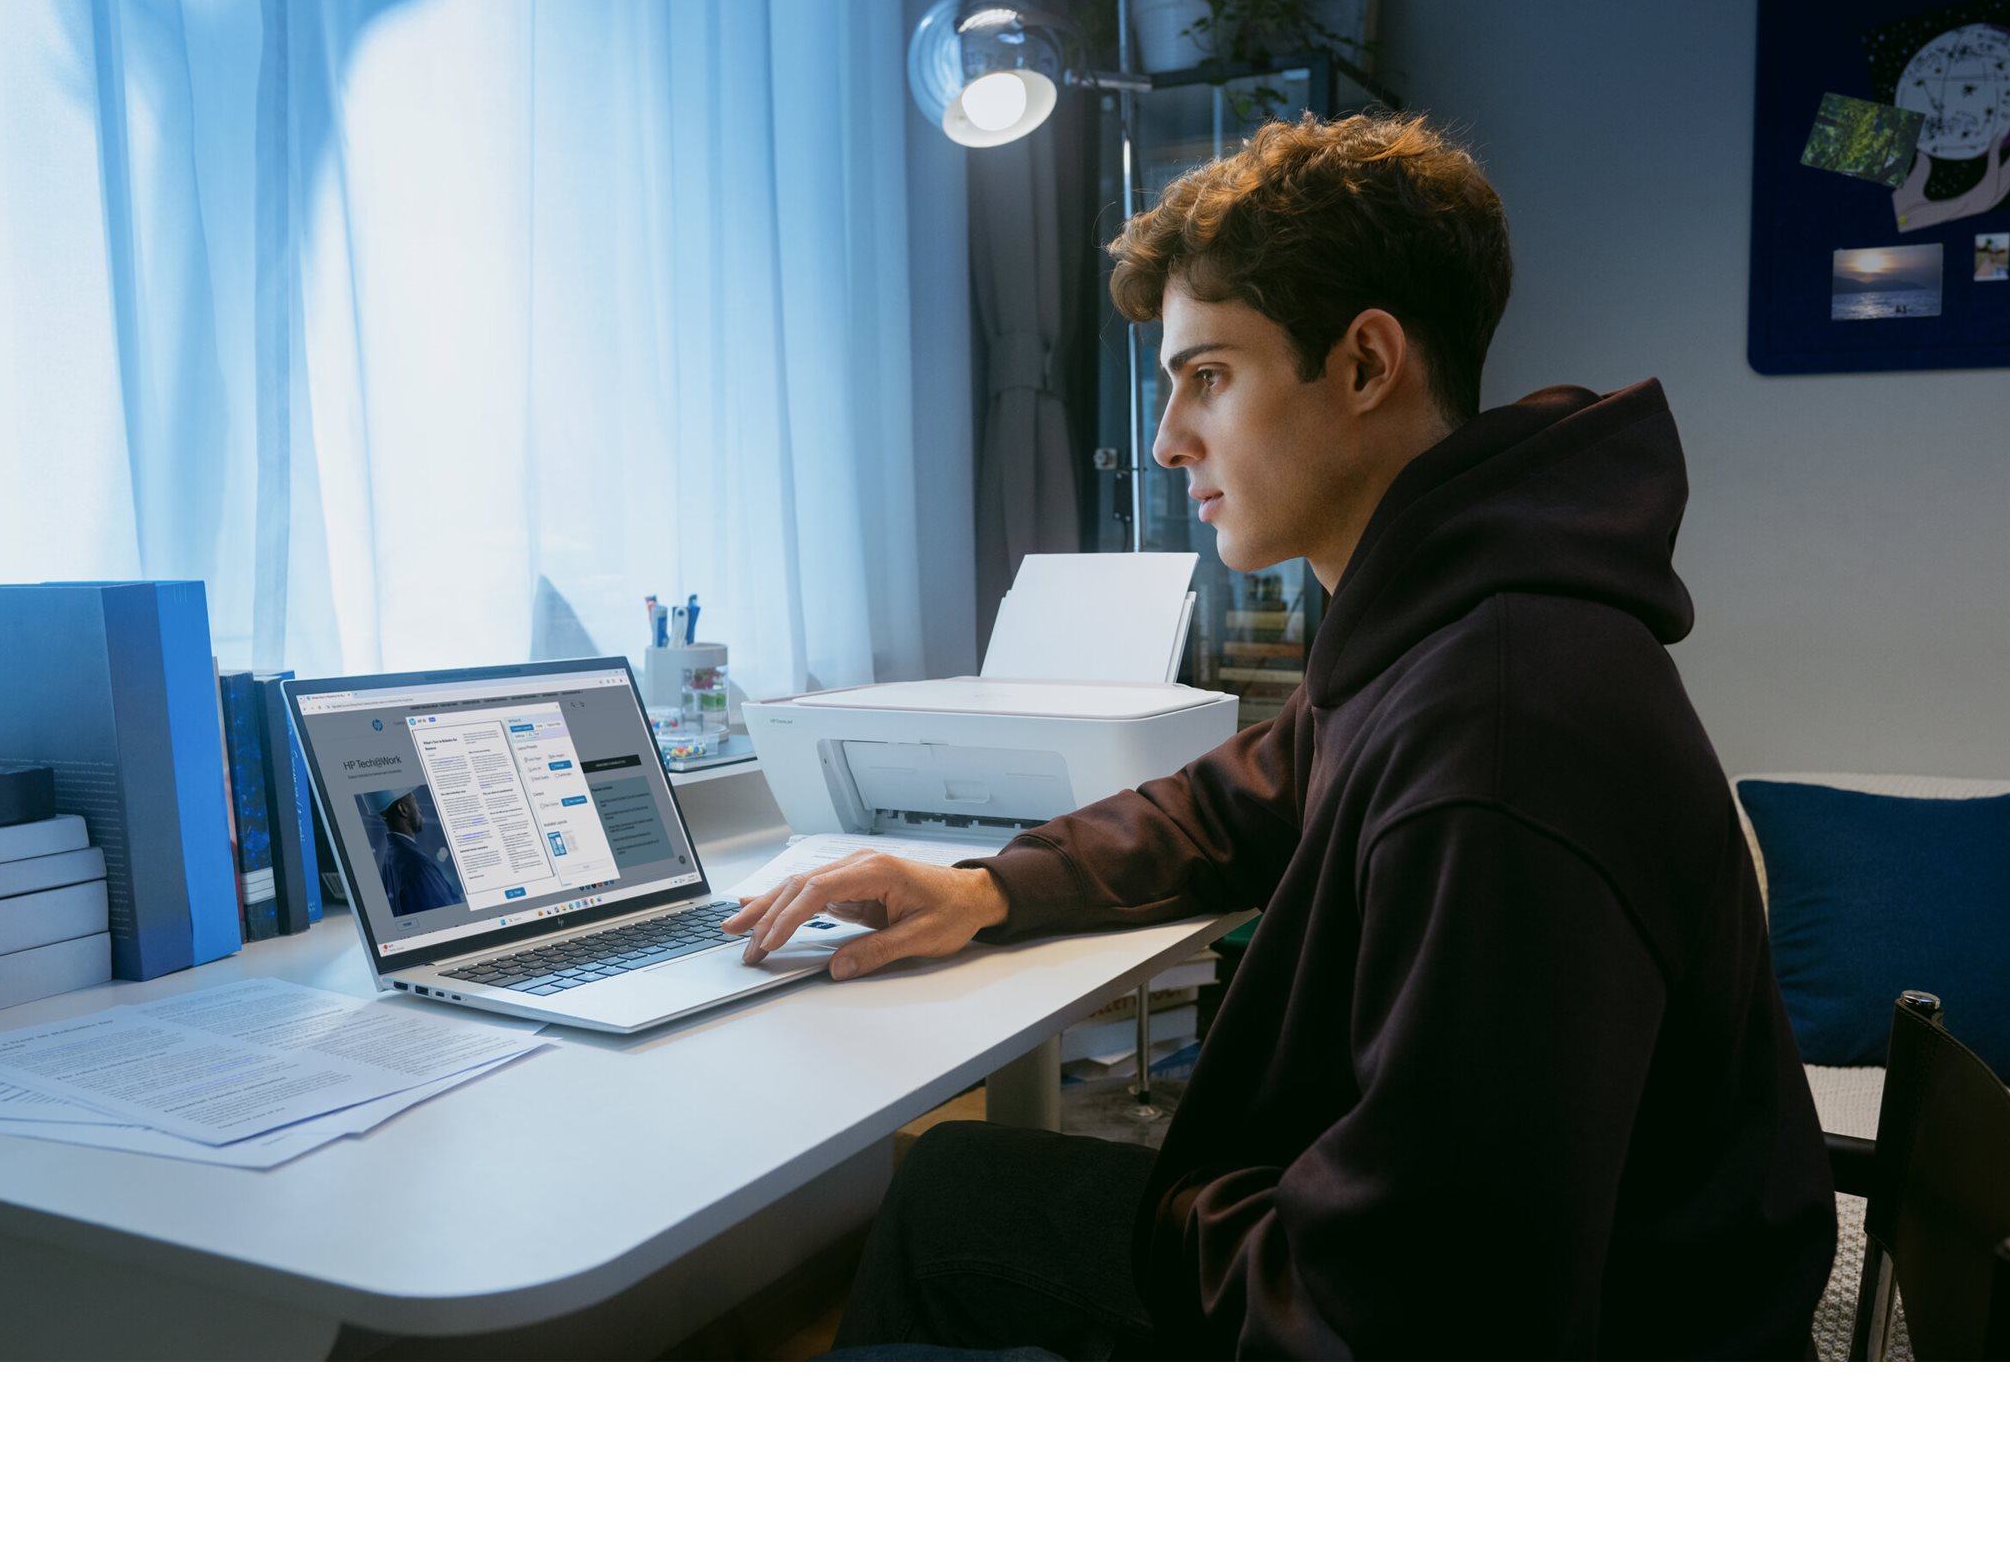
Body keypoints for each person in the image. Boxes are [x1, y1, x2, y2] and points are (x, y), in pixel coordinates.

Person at [725, 110, 1837, 1360]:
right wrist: (988, 889)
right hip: (1400, 1268)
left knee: (950, 1215)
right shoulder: (1442, 620)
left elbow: (1418, 1330)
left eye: (1208, 376)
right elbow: (1236, 796)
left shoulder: (1501, 735)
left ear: (1364, 365)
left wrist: (1192, 1202)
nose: (1166, 441)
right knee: (949, 1186)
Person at [364, 788, 461, 916]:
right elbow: (449, 911)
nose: (419, 809)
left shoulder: (390, 858)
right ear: (403, 809)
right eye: (415, 802)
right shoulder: (417, 863)